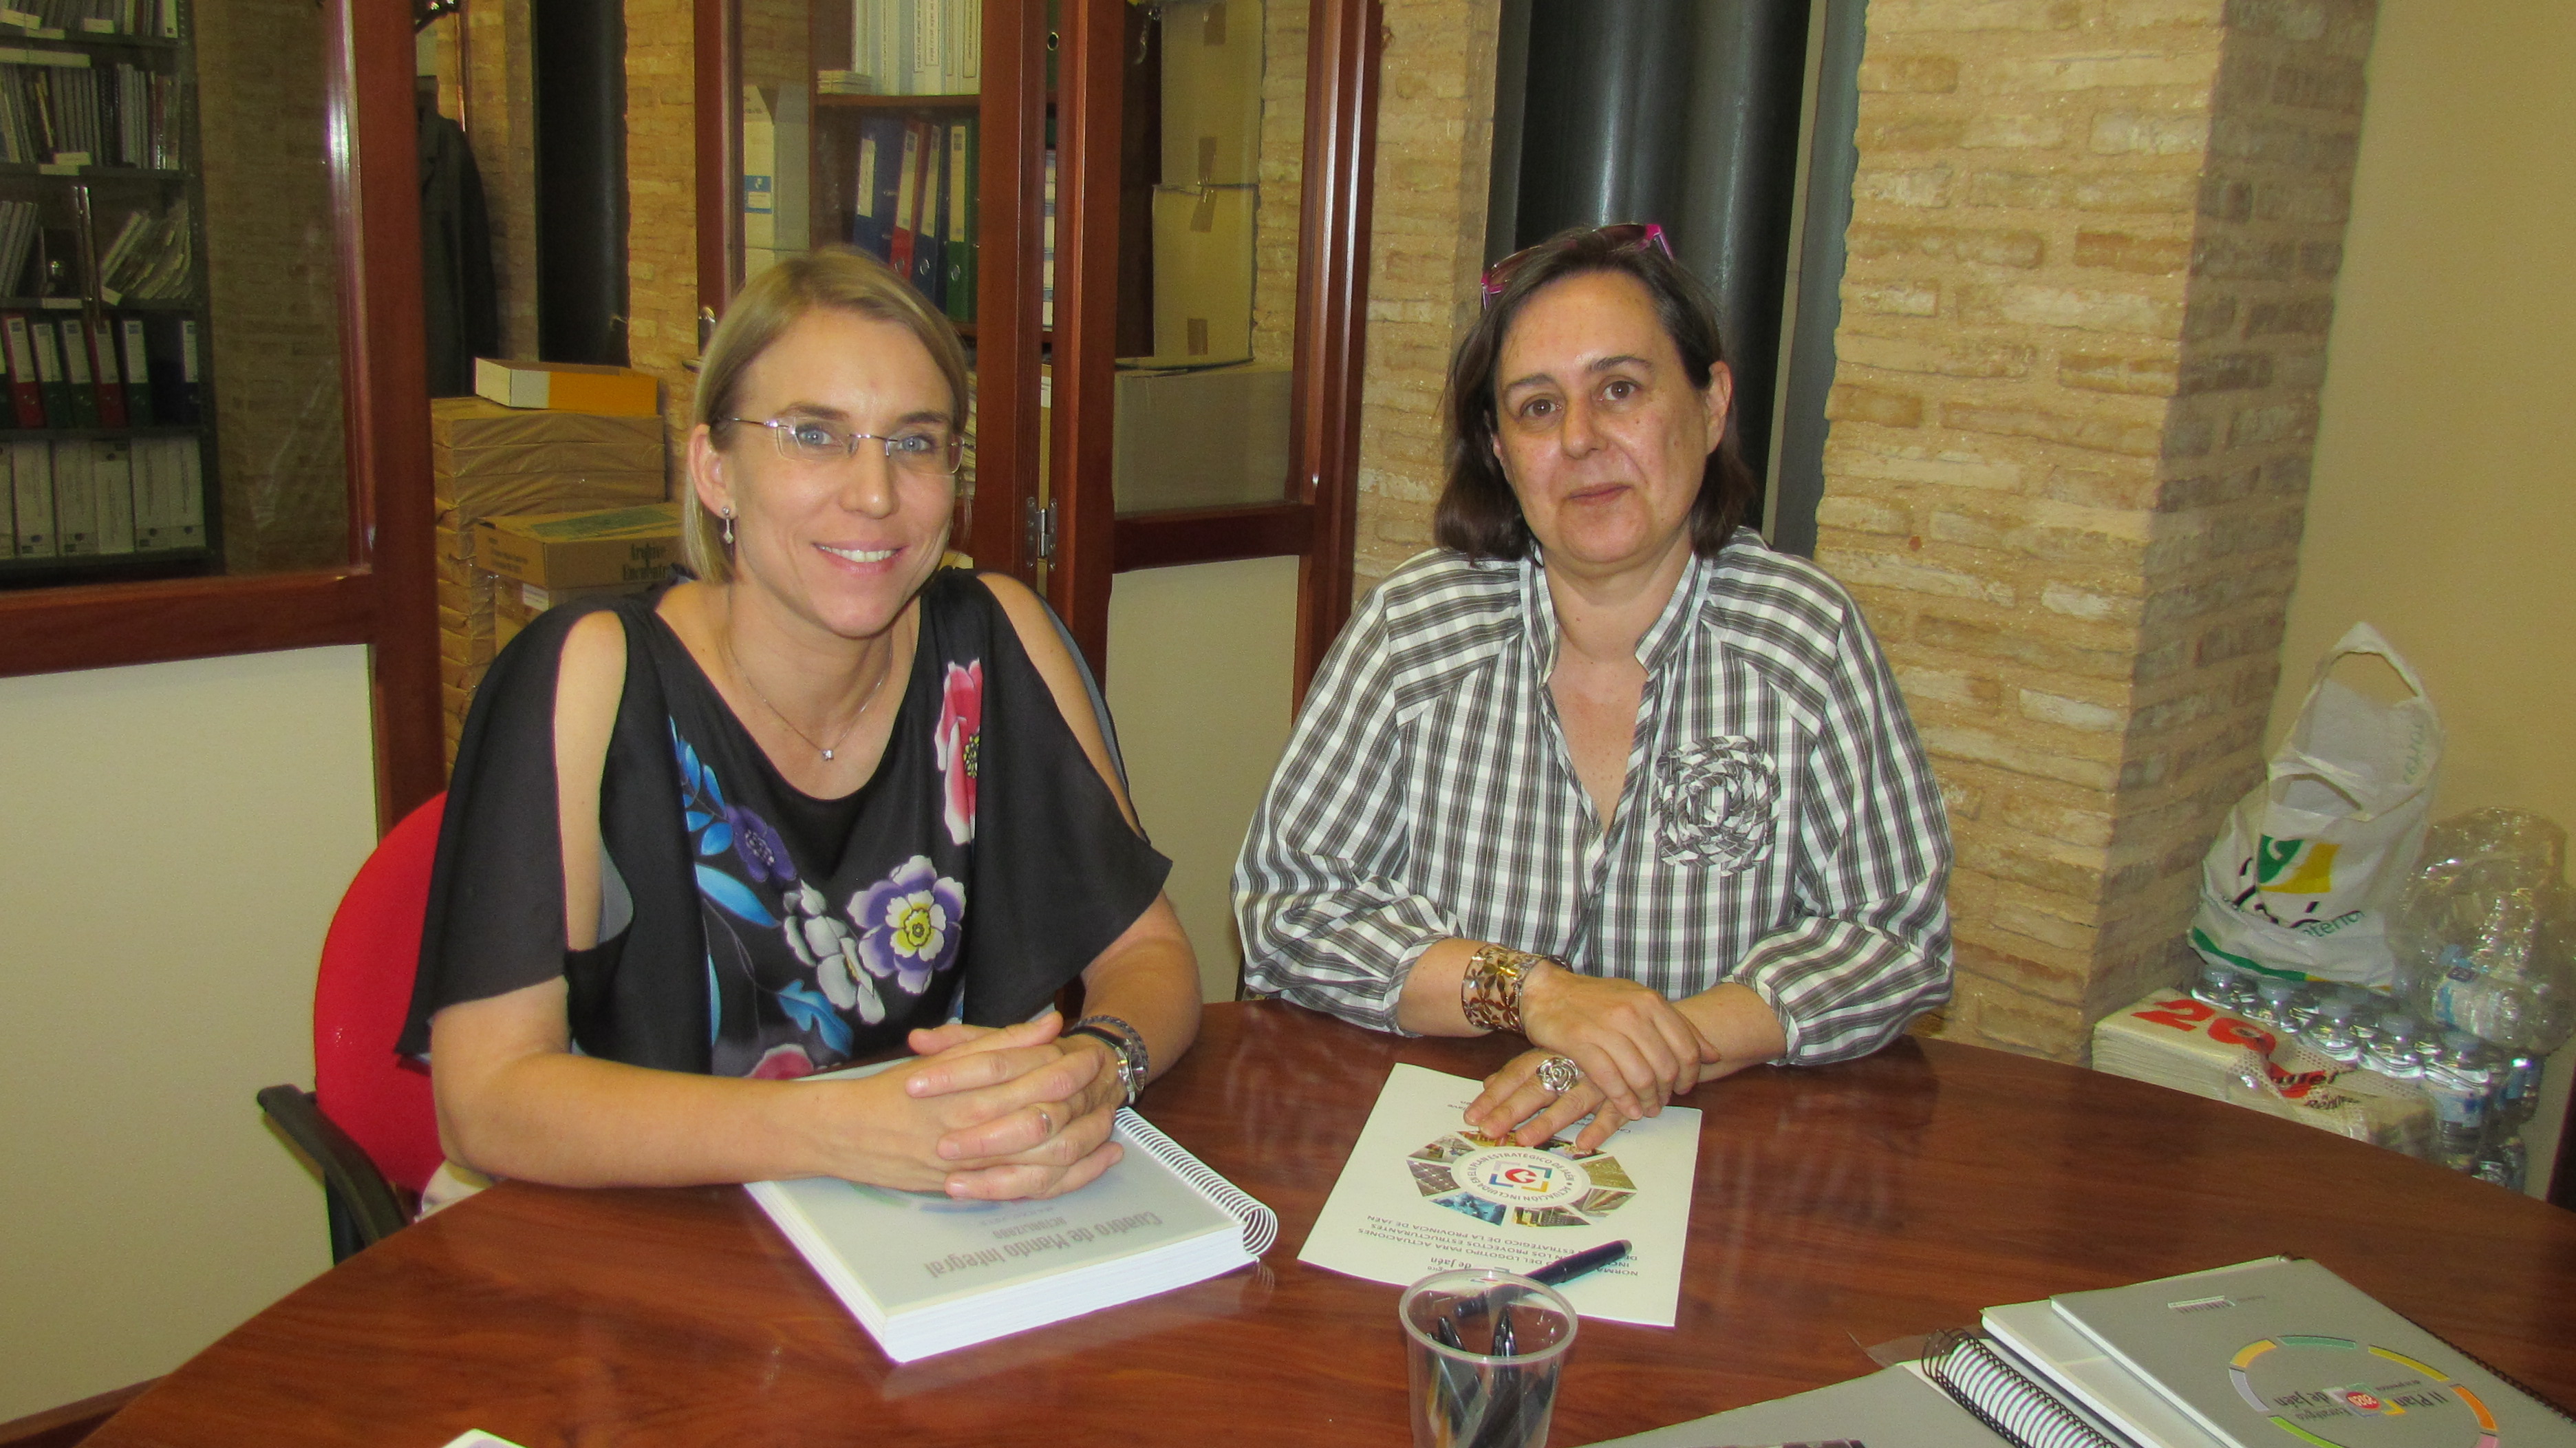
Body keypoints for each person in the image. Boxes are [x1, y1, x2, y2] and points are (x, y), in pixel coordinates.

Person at [400, 247, 1200, 1206]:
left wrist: (1097, 1069)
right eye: (814, 435)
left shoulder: (991, 643)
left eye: (915, 441)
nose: (874, 492)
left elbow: (1150, 958)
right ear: (715, 469)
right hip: (632, 1241)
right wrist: (841, 1131)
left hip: (924, 1232)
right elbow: (485, 1101)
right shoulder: (591, 675)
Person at [1234, 224, 1951, 1153]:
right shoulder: (1416, 631)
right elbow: (1287, 910)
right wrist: (1538, 994)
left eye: (1620, 389)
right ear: (1499, 451)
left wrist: (1645, 1048)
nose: (1580, 439)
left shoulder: (1805, 639)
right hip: (1455, 1145)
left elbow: (1897, 936)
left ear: (1712, 402)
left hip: (1724, 1154)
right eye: (1537, 408)